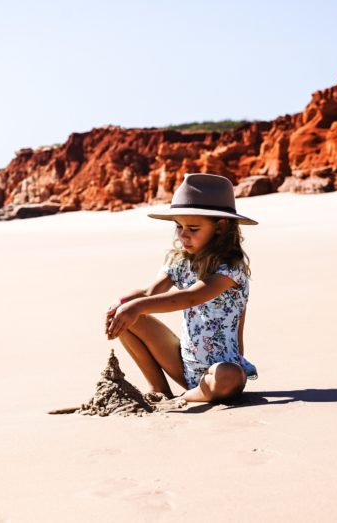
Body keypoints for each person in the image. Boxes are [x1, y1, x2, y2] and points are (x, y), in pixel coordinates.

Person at [104, 173, 258, 405]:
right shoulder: (179, 262)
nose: (183, 234)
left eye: (193, 228)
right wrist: (123, 302)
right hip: (183, 363)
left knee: (230, 376)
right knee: (125, 315)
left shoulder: (231, 270)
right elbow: (149, 293)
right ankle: (159, 390)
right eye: (179, 226)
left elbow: (190, 297)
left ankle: (185, 397)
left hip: (220, 371)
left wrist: (137, 306)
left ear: (221, 227)